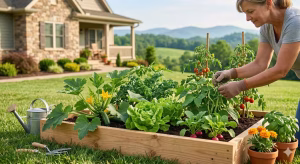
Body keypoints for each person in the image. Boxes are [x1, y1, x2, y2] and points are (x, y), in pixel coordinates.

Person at [212, 0, 300, 144]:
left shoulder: (295, 22)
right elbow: (260, 63)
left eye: (250, 11)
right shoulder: (267, 27)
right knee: (298, 140)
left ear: (268, 3)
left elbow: (281, 70)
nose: (247, 18)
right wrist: (231, 73)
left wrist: (240, 86)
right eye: (245, 13)